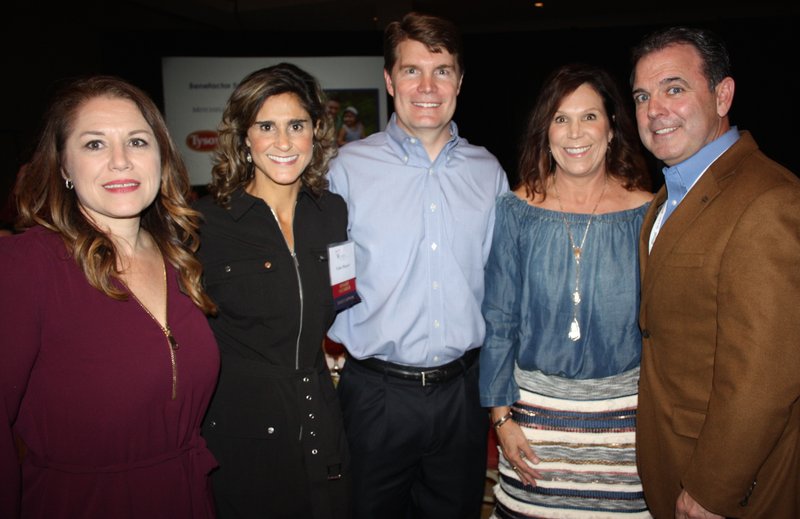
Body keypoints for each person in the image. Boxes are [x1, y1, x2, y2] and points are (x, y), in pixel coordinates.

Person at [0, 75, 220, 518]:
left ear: (161, 156)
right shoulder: (26, 265)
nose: (121, 161)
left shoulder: (180, 259)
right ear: (63, 166)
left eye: (138, 142)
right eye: (95, 145)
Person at [326, 11, 510, 519]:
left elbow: (502, 288)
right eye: (411, 70)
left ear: (460, 81)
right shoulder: (345, 170)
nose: (427, 86)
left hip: (461, 397)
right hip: (375, 397)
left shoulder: (488, 171)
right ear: (389, 79)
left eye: (442, 70)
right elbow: (325, 277)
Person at [630, 26, 800, 518]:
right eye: (643, 95)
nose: (654, 109)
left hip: (730, 487)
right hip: (672, 461)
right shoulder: (668, 196)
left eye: (674, 89)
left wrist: (712, 488)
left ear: (723, 95)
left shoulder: (770, 201)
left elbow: (763, 379)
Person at [479, 63, 653, 518]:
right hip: (532, 428)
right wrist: (501, 420)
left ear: (613, 128)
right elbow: (499, 323)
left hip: (626, 431)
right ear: (546, 131)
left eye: (589, 116)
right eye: (561, 118)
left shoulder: (649, 214)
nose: (575, 132)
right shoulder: (516, 212)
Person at [194, 62, 351, 518]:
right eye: (266, 126)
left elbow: (337, 298)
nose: (283, 143)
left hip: (321, 417)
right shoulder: (206, 225)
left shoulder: (332, 213)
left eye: (296, 126)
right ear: (244, 137)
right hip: (241, 429)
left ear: (316, 131)